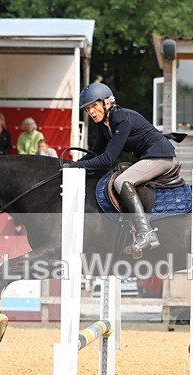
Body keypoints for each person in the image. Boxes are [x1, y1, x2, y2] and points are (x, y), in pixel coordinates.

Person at [66, 82, 181, 254]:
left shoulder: (120, 119)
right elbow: (94, 154)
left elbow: (107, 159)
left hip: (161, 156)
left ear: (106, 103)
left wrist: (75, 166)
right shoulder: (105, 124)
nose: (91, 112)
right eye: (87, 109)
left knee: (122, 181)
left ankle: (146, 232)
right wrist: (72, 165)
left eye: (94, 106)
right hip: (150, 156)